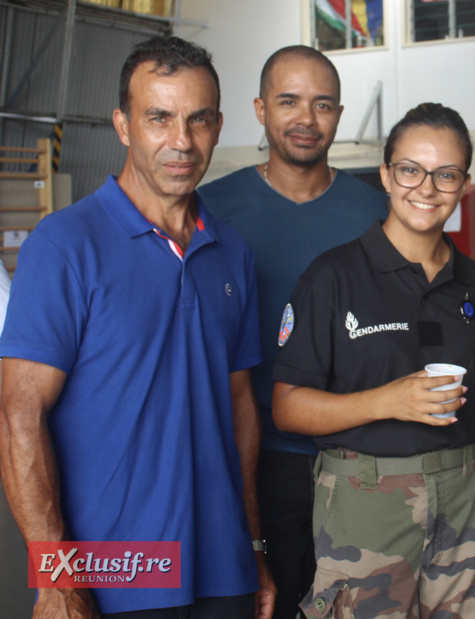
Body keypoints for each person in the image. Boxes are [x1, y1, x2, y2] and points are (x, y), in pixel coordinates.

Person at [0, 36, 275, 618]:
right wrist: (54, 578)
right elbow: (18, 417)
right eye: (159, 118)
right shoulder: (64, 243)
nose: (181, 141)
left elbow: (240, 407)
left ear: (219, 126)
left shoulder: (232, 252)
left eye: (198, 120)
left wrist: (252, 547)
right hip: (113, 572)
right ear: (123, 125)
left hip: (223, 568)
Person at [271, 103, 475, 618]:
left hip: (465, 496)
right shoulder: (332, 278)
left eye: (445, 174)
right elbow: (288, 407)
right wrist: (389, 401)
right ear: (385, 174)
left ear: (463, 183)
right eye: (410, 170)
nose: (426, 188)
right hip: (364, 502)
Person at [197, 46, 388, 616]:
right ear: (260, 109)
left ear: (339, 113)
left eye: (322, 104)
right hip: (254, 463)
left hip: (359, 457)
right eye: (289, 101)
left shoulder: (377, 214)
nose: (306, 118)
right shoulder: (211, 208)